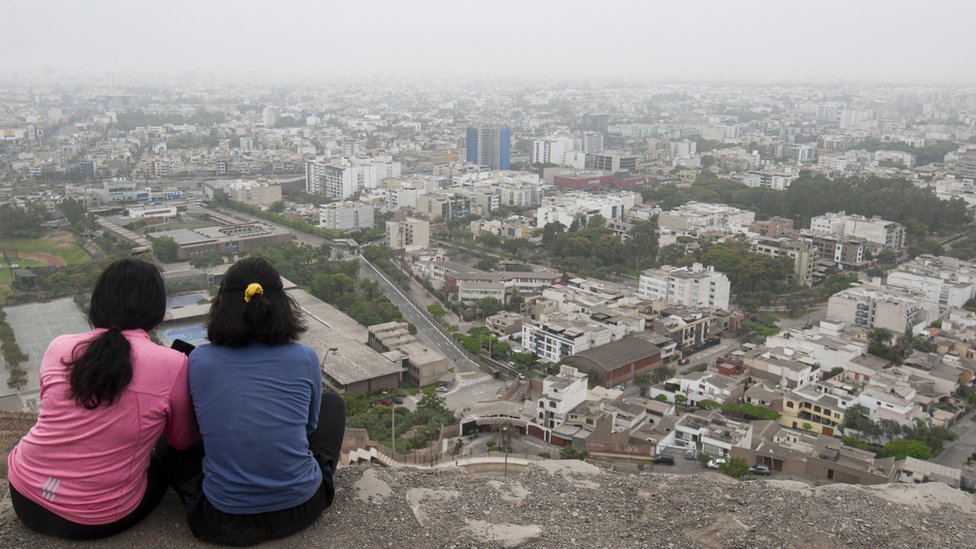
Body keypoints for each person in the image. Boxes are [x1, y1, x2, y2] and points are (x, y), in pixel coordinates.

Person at [6, 258, 198, 539]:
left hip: (24, 495)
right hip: (95, 518)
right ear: (156, 309)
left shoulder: (58, 346)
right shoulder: (172, 364)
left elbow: (53, 410)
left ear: (97, 303)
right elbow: (181, 440)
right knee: (162, 458)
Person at [173, 256, 345, 545]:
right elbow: (309, 426)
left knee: (170, 443)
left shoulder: (199, 360)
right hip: (303, 507)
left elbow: (194, 431)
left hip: (220, 519)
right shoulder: (304, 357)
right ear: (282, 304)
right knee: (333, 405)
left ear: (222, 305)